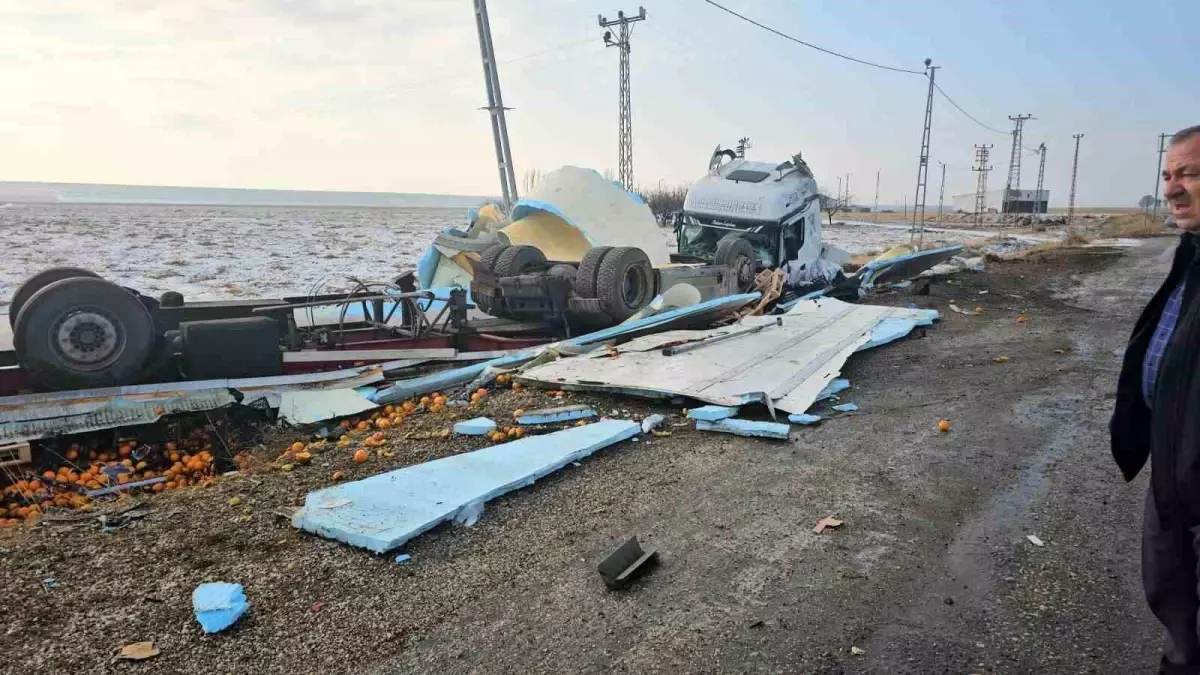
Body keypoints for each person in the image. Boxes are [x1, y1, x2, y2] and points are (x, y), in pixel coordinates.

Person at [1111, 124, 1200, 674]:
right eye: (1168, 175)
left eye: (1189, 173)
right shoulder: (1190, 255)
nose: (1171, 189)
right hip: (1173, 475)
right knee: (1174, 602)